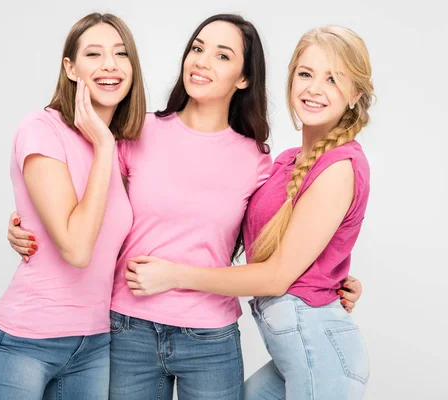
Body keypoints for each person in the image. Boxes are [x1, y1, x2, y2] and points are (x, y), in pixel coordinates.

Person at [7, 15, 363, 400]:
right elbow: (86, 209)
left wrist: (331, 280)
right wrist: (24, 226)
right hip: (130, 330)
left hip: (211, 338)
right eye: (197, 48)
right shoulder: (134, 133)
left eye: (222, 56)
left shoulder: (258, 160)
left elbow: (279, 240)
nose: (202, 61)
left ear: (244, 78)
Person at [125, 25, 374, 400]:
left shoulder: (339, 165)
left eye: (333, 79)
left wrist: (172, 275)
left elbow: (276, 277)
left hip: (318, 349)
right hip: (296, 350)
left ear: (355, 93)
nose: (314, 89)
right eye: (305, 74)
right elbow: (277, 242)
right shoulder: (286, 162)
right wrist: (329, 275)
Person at [0, 13, 146, 399]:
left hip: (94, 344)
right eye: (94, 54)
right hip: (24, 342)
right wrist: (102, 145)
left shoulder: (123, 147)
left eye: (121, 53)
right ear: (70, 67)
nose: (110, 65)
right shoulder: (41, 129)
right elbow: (77, 248)